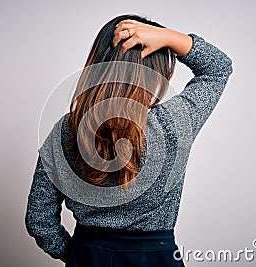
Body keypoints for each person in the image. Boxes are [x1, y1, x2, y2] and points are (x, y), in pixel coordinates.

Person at [25, 14, 233, 267]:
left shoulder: (65, 131)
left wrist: (78, 255)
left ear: (97, 62)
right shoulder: (173, 123)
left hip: (88, 256)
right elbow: (218, 67)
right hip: (155, 259)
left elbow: (39, 220)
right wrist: (169, 37)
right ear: (156, 73)